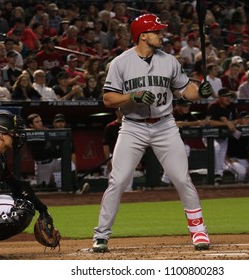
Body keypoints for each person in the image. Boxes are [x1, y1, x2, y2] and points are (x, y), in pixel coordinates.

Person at [92, 14, 213, 253]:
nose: (161, 34)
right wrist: (131, 96)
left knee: (181, 178)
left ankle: (199, 231)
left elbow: (185, 91)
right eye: (156, 31)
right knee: (118, 181)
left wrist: (200, 92)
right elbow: (107, 98)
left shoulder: (169, 61)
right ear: (143, 35)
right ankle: (101, 235)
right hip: (133, 126)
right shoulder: (120, 62)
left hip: (165, 125)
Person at [0, 112, 56, 259]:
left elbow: (18, 187)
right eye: (13, 132)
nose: (17, 136)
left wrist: (43, 210)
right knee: (20, 209)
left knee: (20, 203)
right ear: (2, 135)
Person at [161, 98, 207, 185]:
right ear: (178, 106)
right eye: (185, 106)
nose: (187, 107)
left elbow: (197, 122)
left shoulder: (187, 114)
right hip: (163, 140)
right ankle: (169, 179)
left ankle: (166, 180)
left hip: (176, 142)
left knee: (183, 151)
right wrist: (195, 123)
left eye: (188, 105)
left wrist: (202, 122)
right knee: (183, 150)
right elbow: (177, 123)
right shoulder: (171, 112)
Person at [204, 87, 239, 184]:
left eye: (229, 96)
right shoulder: (213, 106)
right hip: (210, 136)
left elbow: (237, 120)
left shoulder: (232, 105)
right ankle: (216, 174)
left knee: (221, 155)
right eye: (225, 97)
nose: (228, 99)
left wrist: (229, 122)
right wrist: (226, 123)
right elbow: (209, 122)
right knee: (216, 148)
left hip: (223, 136)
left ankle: (218, 177)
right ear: (219, 97)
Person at [51, 113, 90, 194]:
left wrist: (75, 169)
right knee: (53, 189)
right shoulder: (50, 134)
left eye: (62, 121)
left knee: (71, 165)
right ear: (54, 123)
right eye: (58, 122)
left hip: (63, 163)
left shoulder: (68, 135)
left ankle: (77, 189)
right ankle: (76, 189)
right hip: (51, 163)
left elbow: (72, 153)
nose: (60, 123)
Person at [26, 113, 59, 191]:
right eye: (37, 122)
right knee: (42, 189)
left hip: (53, 162)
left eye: (40, 121)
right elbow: (22, 130)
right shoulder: (28, 134)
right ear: (31, 125)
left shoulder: (46, 130)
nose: (40, 123)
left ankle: (76, 188)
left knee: (70, 165)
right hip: (42, 165)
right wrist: (33, 131)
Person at [224, 111, 249, 183]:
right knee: (242, 172)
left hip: (244, 160)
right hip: (231, 160)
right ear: (239, 120)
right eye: (245, 119)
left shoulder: (248, 134)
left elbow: (248, 151)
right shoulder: (233, 132)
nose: (248, 120)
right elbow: (223, 149)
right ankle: (238, 189)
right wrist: (229, 161)